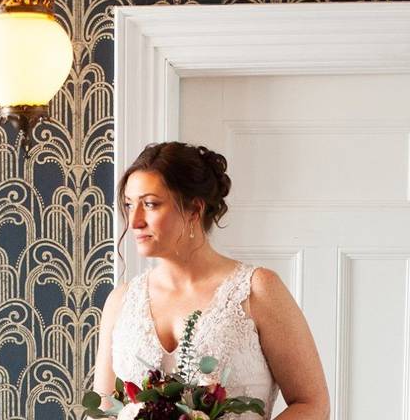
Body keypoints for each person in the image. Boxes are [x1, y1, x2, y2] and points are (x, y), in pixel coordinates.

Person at [93, 142, 330, 420]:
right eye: (129, 205)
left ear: (194, 209)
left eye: (150, 204)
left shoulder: (257, 289)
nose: (134, 221)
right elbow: (102, 410)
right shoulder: (121, 301)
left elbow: (313, 403)